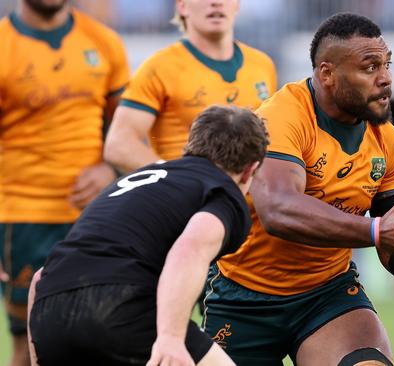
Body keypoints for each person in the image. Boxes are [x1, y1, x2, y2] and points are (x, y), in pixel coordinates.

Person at [201, 13, 394, 366]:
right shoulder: (281, 117)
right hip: (243, 296)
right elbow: (279, 210)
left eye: (387, 64)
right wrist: (376, 230)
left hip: (327, 294)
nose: (386, 78)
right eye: (369, 68)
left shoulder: (390, 142)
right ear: (327, 74)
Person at [28, 105, 269, 365]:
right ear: (250, 170)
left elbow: (40, 277)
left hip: (48, 314)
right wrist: (171, 338)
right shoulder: (220, 191)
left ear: (191, 146)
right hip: (120, 309)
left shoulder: (136, 180)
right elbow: (190, 248)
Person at [0, 1, 129, 365]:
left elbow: (126, 127)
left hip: (94, 218)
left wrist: (108, 167)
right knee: (29, 343)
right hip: (24, 217)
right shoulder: (4, 45)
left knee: (101, 336)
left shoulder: (102, 41)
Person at [104, 0, 277, 173]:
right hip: (191, 199)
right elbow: (119, 145)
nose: (216, 3)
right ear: (182, 6)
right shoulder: (160, 67)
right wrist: (178, 179)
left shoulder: (262, 64)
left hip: (248, 198)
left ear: (237, 5)